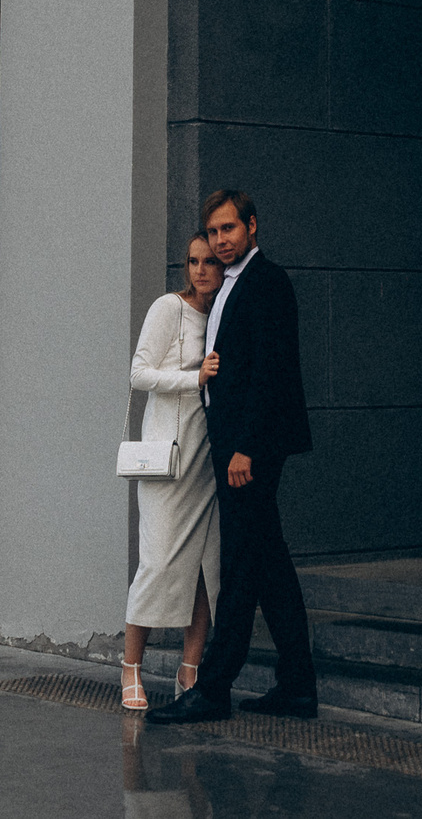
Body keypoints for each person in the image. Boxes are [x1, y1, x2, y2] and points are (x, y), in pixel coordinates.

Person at [147, 188, 316, 722]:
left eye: (229, 230)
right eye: (214, 232)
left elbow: (271, 372)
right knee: (268, 564)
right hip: (235, 444)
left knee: (241, 564)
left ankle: (214, 686)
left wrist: (245, 447)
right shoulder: (229, 286)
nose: (221, 241)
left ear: (252, 227)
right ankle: (297, 685)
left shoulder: (266, 282)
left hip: (251, 449)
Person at [119, 235, 225, 711]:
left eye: (209, 262)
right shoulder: (169, 307)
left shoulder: (220, 314)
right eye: (192, 261)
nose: (200, 270)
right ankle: (130, 668)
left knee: (203, 567)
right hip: (167, 459)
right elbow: (139, 373)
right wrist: (193, 377)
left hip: (206, 457)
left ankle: (190, 669)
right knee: (158, 562)